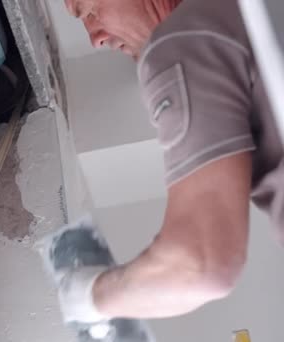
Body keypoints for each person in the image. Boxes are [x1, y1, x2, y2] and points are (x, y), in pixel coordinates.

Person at [57, 0, 284, 325]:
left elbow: (201, 264)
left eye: (89, 10)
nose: (95, 38)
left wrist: (84, 296)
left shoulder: (186, 35)